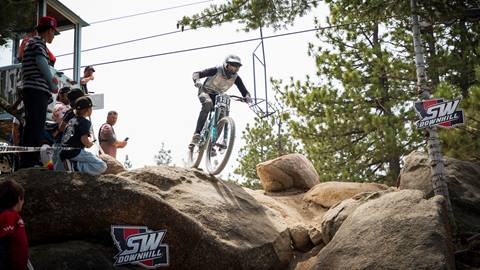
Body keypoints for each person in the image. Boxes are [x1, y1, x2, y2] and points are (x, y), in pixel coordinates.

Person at [20, 16, 60, 168]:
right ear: (49, 30)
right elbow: (42, 64)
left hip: (33, 89)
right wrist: (52, 84)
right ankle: (29, 161)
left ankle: (30, 159)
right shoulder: (37, 43)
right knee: (35, 125)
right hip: (36, 89)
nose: (53, 36)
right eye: (53, 32)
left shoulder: (33, 43)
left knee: (33, 124)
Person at [190, 54, 252, 145]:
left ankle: (212, 144)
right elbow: (196, 74)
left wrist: (247, 97)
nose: (234, 70)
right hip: (205, 91)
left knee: (222, 113)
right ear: (226, 65)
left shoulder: (236, 78)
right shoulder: (216, 70)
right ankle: (197, 134)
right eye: (233, 67)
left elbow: (244, 90)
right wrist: (197, 81)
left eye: (237, 68)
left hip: (217, 96)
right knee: (207, 104)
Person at [59, 96, 106, 175]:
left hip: (63, 151)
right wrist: (90, 144)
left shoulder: (72, 120)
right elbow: (84, 140)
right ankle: (75, 167)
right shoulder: (85, 122)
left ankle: (72, 164)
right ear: (87, 110)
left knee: (89, 158)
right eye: (91, 109)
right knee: (102, 165)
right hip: (74, 151)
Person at [0, 180, 28, 270]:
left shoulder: (13, 216)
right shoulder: (8, 216)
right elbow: (3, 246)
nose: (23, 203)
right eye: (23, 199)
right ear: (19, 198)